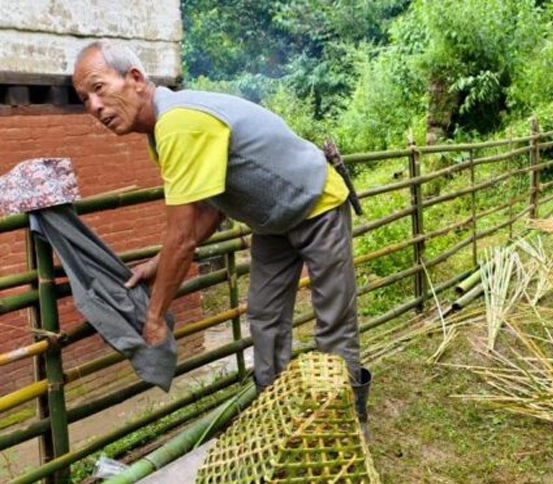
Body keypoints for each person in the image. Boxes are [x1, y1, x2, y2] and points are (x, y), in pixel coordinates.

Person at [71, 41, 372, 431]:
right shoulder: (162, 132)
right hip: (272, 221)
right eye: (83, 99)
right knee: (264, 316)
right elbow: (211, 206)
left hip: (317, 202)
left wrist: (155, 318)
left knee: (333, 319)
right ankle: (274, 418)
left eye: (98, 88)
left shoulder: (179, 123)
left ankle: (345, 423)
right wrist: (158, 265)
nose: (93, 106)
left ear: (135, 79)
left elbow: (182, 239)